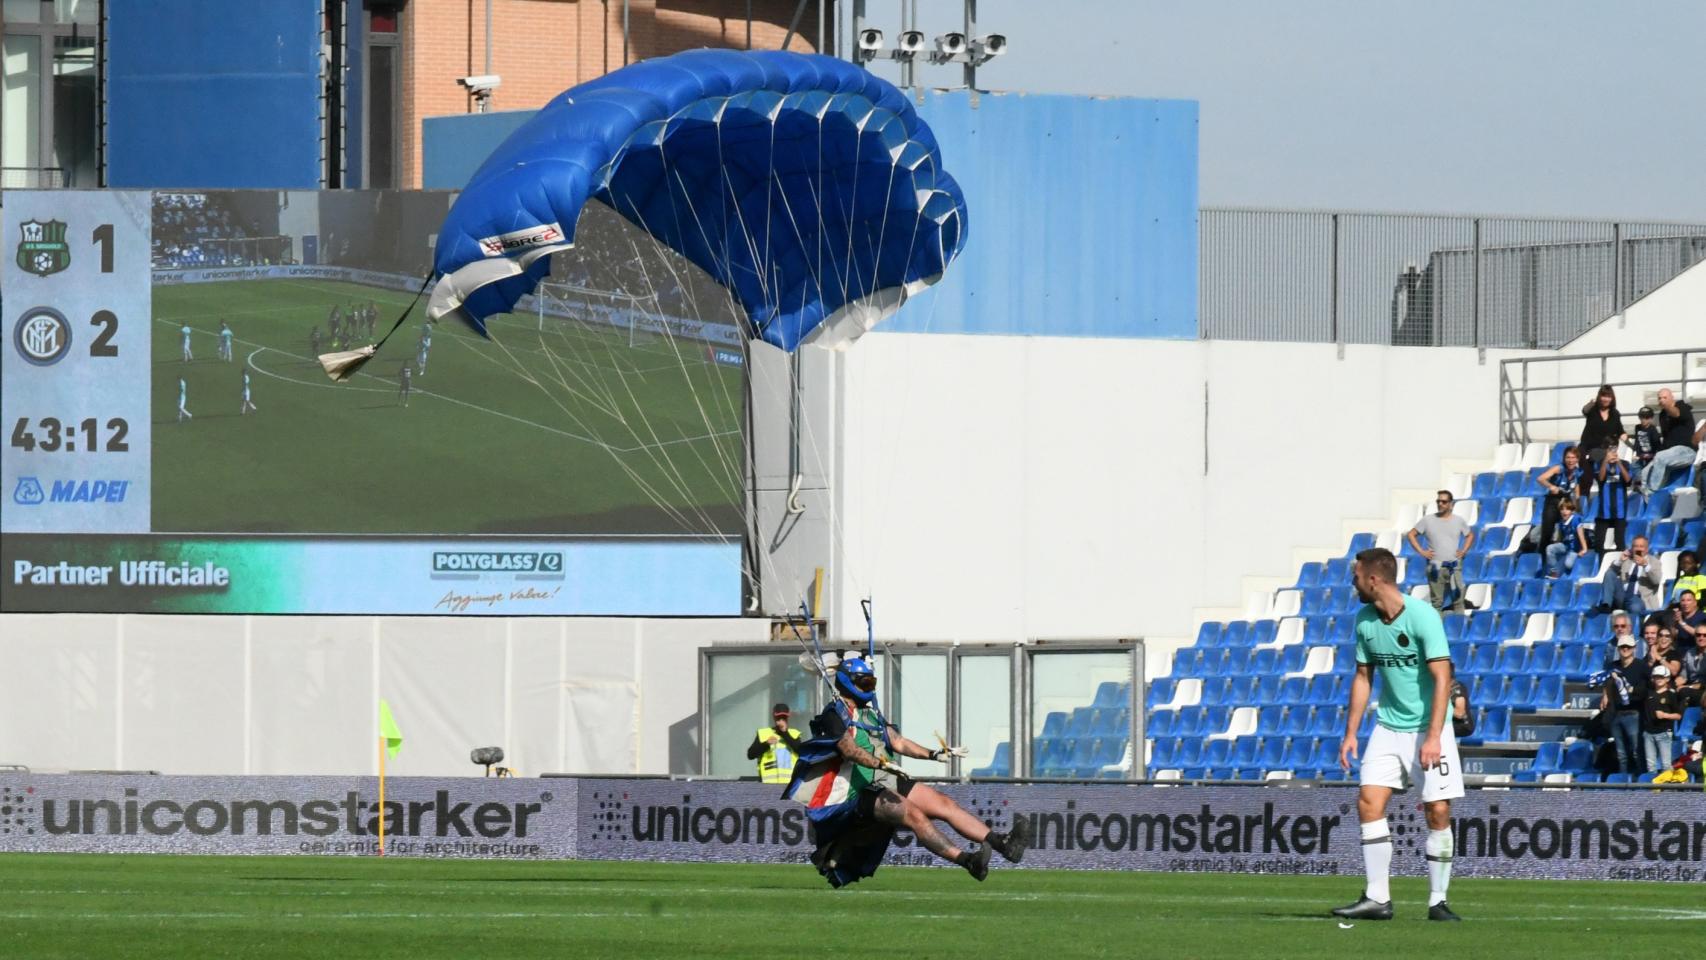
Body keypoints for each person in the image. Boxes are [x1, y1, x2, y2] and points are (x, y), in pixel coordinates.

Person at [784, 654, 1029, 887]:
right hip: (858, 789)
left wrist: (933, 754)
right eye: (865, 682)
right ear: (849, 683)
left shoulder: (871, 714)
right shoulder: (834, 714)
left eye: (872, 682)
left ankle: (1004, 844)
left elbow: (898, 741)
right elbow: (849, 750)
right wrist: (879, 763)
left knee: (944, 804)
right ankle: (968, 861)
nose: (870, 687)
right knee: (913, 815)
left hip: (886, 778)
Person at [1332, 547, 1463, 923]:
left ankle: (1437, 901)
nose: (1353, 583)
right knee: (1368, 802)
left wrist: (1435, 736)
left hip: (1428, 728)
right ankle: (1377, 898)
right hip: (1388, 727)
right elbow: (1363, 677)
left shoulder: (1423, 617)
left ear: (1373, 579)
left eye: (1356, 576)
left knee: (1438, 811)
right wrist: (1351, 733)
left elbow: (1442, 679)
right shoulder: (1364, 621)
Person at [1408, 491, 1475, 610]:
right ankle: (1438, 627)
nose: (1440, 504)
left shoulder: (1458, 520)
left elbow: (1470, 535)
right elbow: (1411, 534)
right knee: (1437, 603)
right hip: (1435, 566)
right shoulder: (1427, 520)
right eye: (1438, 501)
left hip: (1454, 566)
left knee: (1458, 600)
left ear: (1451, 504)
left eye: (1444, 502)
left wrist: (1464, 550)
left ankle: (1459, 626)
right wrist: (1421, 551)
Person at [1600, 634, 1651, 775]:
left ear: (1634, 648)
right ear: (1618, 648)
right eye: (1622, 647)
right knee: (1621, 753)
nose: (1625, 649)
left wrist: (1633, 690)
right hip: (1616, 713)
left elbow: (1649, 687)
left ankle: (1641, 778)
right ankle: (1623, 779)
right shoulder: (1613, 666)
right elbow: (1606, 681)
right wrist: (1605, 695)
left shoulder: (1642, 666)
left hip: (1634, 713)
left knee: (1636, 750)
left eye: (1628, 647)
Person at [1531, 446, 1588, 553]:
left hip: (1566, 502)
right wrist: (1551, 486)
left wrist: (1577, 505)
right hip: (1553, 502)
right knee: (1548, 532)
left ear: (1577, 459)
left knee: (1567, 531)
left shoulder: (1577, 471)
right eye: (1568, 457)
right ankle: (1542, 557)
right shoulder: (1559, 468)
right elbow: (1540, 478)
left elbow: (1576, 489)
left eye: (1573, 458)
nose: (1570, 460)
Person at [1642, 388, 1696, 493]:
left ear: (1672, 397)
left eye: (1665, 397)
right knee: (1645, 472)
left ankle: (1654, 492)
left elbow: (1676, 413)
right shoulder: (1662, 415)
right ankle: (1648, 500)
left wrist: (1667, 406)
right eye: (1659, 398)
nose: (1661, 400)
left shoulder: (1682, 406)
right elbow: (1666, 439)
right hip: (1670, 453)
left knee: (1660, 458)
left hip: (1686, 451)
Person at [1596, 536, 1662, 621]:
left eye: (1641, 546)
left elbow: (1657, 580)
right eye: (1635, 546)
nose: (1638, 549)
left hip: (1640, 598)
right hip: (1623, 595)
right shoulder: (1627, 560)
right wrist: (1620, 561)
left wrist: (1645, 566)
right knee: (1610, 574)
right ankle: (1606, 606)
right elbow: (1609, 574)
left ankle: (1635, 628)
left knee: (1635, 607)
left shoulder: (1654, 562)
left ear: (1647, 549)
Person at [746, 702, 803, 784]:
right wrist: (765, 744)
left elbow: (801, 751)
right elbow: (750, 755)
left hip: (789, 785)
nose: (781, 721)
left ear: (788, 717)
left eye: (784, 718)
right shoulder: (764, 733)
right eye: (778, 718)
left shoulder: (794, 734)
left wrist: (785, 733)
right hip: (767, 785)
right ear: (774, 717)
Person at [1641, 665, 1682, 773]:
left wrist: (1665, 715)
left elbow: (1678, 715)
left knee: (1666, 764)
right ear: (1652, 678)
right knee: (1650, 765)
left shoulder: (1671, 695)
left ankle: (1668, 789)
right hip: (1648, 733)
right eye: (1656, 677)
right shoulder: (1648, 693)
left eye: (1661, 677)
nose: (1658, 679)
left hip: (1663, 732)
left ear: (1667, 679)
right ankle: (1654, 789)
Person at [1592, 443, 1633, 552]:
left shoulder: (1625, 464)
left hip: (1619, 510)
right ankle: (1600, 563)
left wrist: (1619, 463)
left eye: (1614, 449)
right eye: (1610, 449)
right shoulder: (1599, 464)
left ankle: (1620, 565)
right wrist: (1605, 461)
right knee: (1599, 543)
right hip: (1604, 511)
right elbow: (1600, 479)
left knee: (1620, 542)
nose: (1612, 452)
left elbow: (1628, 480)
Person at [1578, 384, 1626, 470]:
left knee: (1621, 462)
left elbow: (1620, 431)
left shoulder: (1615, 414)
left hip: (1606, 450)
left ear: (1612, 398)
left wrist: (1628, 441)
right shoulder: (1592, 410)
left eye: (1608, 396)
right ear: (1599, 397)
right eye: (1603, 396)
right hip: (1589, 449)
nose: (1606, 399)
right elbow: (1584, 410)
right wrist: (1590, 403)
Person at [1543, 497, 1589, 579]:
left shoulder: (1576, 520)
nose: (1564, 512)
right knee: (1550, 548)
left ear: (1571, 511)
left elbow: (1581, 535)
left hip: (1575, 549)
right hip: (1566, 546)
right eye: (1562, 509)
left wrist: (1584, 549)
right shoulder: (1561, 522)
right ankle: (1554, 572)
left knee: (1568, 564)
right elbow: (1561, 537)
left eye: (1567, 509)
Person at [1629, 406, 1661, 490]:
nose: (1643, 420)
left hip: (1651, 457)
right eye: (1641, 417)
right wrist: (1634, 453)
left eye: (1646, 418)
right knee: (1633, 465)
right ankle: (1638, 485)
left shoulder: (1653, 430)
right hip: (1640, 456)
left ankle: (1645, 486)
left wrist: (1652, 455)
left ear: (1651, 418)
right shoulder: (1637, 427)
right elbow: (1636, 441)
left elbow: (1658, 445)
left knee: (1648, 473)